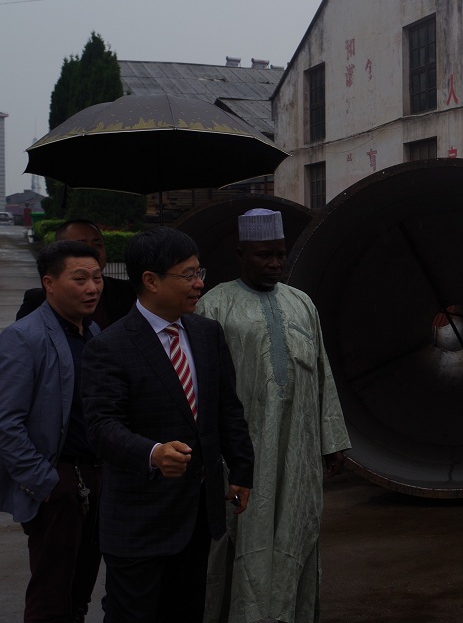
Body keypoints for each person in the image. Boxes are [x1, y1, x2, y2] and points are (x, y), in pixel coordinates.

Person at [80, 226, 254, 623]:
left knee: (186, 611)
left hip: (196, 516)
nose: (199, 284)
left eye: (199, 272)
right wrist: (153, 453)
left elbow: (227, 409)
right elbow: (102, 427)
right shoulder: (110, 347)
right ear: (151, 281)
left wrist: (242, 470)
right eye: (188, 275)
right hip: (139, 522)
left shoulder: (207, 334)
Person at [197, 208, 351, 623]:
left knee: (297, 531)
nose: (275, 263)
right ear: (241, 255)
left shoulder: (301, 303)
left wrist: (332, 440)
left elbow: (322, 373)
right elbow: (202, 389)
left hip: (299, 448)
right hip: (242, 455)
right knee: (241, 535)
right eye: (264, 255)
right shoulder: (214, 306)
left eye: (280, 254)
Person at [0, 241, 105, 623]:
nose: (92, 288)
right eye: (80, 279)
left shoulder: (93, 332)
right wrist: (45, 484)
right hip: (57, 484)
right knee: (51, 596)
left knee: (80, 591)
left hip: (94, 478)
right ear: (49, 283)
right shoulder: (24, 337)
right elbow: (6, 423)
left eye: (97, 278)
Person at [17, 219, 136, 328]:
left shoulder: (129, 292)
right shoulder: (37, 303)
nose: (91, 251)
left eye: (98, 245)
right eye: (81, 245)